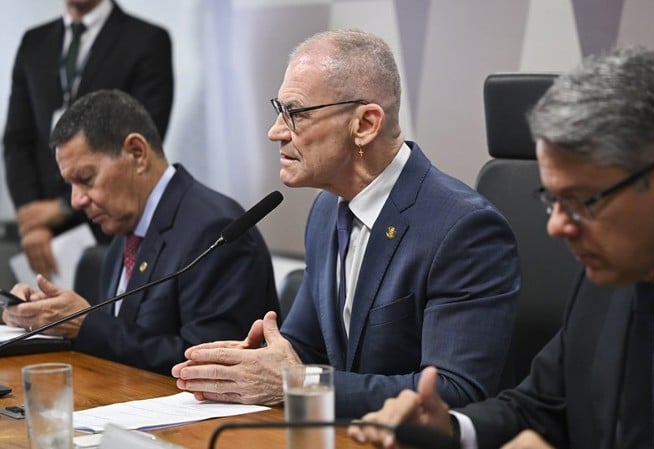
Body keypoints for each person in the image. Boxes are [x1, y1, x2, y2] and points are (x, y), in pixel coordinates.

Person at [349, 46, 654, 449]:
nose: (559, 227)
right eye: (552, 200)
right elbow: (539, 408)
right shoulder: (608, 276)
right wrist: (450, 428)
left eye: (582, 201)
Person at [171, 29, 520, 418]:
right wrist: (256, 363)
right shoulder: (325, 210)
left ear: (365, 124)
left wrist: (296, 382)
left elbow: (456, 391)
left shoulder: (464, 230)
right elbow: (307, 348)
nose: (276, 131)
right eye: (278, 110)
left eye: (296, 113)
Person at [2, 90, 279, 376]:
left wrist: (85, 324)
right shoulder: (125, 230)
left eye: (85, 179)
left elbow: (210, 364)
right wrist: (42, 314)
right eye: (69, 185)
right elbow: (123, 339)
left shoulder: (215, 230)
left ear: (137, 153)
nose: (75, 201)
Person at [3, 0, 173, 278]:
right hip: (41, 235)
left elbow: (143, 140)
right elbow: (16, 140)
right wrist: (31, 218)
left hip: (111, 230)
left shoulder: (146, 40)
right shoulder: (34, 42)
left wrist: (61, 207)